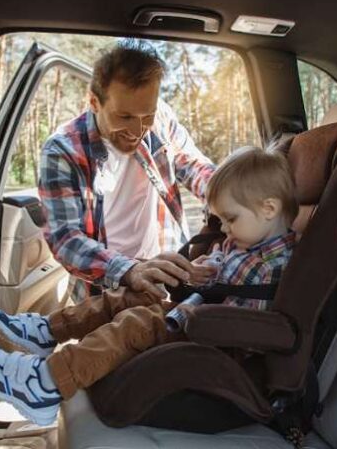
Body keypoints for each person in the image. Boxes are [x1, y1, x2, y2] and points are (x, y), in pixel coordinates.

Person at [0, 147, 299, 425]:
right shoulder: (245, 242)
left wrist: (198, 309)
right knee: (132, 298)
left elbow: (247, 325)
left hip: (217, 341)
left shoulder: (276, 264)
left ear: (269, 208)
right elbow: (226, 271)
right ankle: (49, 330)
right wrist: (204, 270)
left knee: (137, 324)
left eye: (230, 219)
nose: (224, 229)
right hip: (198, 315)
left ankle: (46, 384)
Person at [37, 39, 216, 302]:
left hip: (165, 276)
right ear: (95, 102)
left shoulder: (161, 119)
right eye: (125, 117)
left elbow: (194, 167)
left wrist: (230, 194)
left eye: (148, 115)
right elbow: (65, 239)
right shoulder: (62, 150)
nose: (137, 132)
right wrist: (129, 270)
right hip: (102, 289)